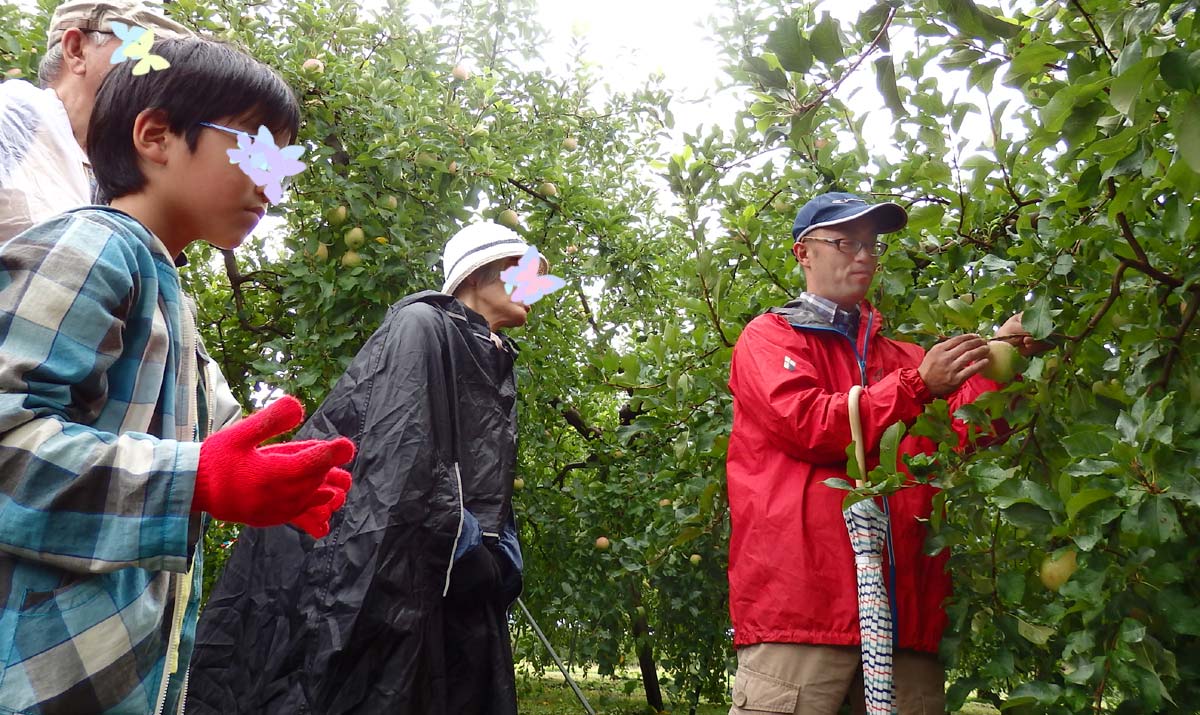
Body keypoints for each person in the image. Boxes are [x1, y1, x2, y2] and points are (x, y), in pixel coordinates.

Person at [0, 37, 354, 715]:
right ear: (157, 136)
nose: (272, 184)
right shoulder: (90, 247)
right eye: (256, 150)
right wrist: (195, 478)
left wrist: (263, 472)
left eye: (284, 165)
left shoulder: (172, 305)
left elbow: (218, 443)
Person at [187, 222, 539, 714]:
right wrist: (465, 541)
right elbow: (401, 449)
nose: (537, 287)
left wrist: (503, 555)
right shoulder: (424, 325)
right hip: (409, 571)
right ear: (478, 273)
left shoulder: (492, 357)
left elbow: (482, 475)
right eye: (523, 270)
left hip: (454, 588)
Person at [725, 192, 1044, 714]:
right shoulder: (769, 340)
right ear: (804, 253)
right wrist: (918, 385)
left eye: (871, 245)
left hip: (902, 613)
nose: (865, 255)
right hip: (803, 612)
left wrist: (1002, 361)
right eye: (846, 242)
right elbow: (811, 425)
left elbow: (966, 433)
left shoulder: (904, 359)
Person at [0, 0, 191, 242]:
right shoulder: (15, 114)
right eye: (144, 55)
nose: (161, 81)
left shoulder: (116, 175)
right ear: (77, 51)